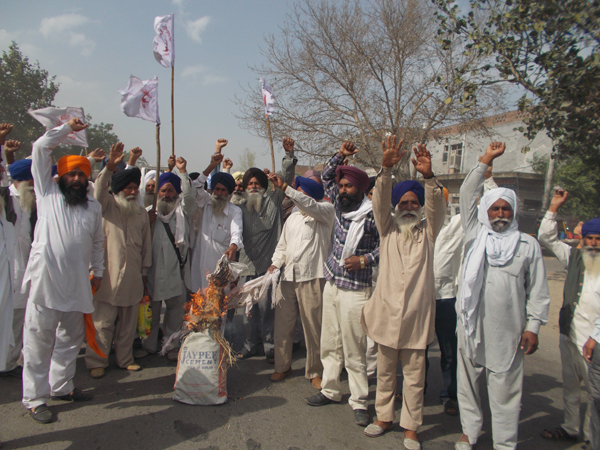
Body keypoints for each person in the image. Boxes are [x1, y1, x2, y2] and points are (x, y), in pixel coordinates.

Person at [455, 142, 551, 450]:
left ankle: (505, 444)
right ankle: (470, 432)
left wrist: (533, 327)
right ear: (486, 211)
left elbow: (538, 291)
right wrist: (485, 161)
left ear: (513, 212)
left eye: (505, 208)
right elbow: (467, 193)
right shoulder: (475, 235)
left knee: (506, 391)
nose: (500, 213)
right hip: (471, 326)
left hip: (507, 331)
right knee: (468, 385)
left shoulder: (527, 245)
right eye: (495, 208)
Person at [361, 137, 445, 450]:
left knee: (414, 377)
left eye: (414, 203)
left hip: (416, 319)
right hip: (386, 315)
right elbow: (379, 202)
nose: (409, 207)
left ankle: (411, 427)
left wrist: (428, 177)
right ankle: (384, 417)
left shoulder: (429, 232)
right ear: (397, 207)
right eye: (404, 203)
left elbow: (437, 208)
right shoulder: (388, 230)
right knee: (385, 374)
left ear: (420, 207)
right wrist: (385, 171)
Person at [21, 118, 104, 424]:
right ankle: (35, 398)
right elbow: (40, 147)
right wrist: (66, 128)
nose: (77, 178)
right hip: (46, 282)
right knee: (39, 341)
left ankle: (61, 386)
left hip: (78, 283)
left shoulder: (93, 207)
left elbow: (97, 242)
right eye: (71, 173)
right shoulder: (47, 194)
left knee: (70, 338)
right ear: (60, 176)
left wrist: (99, 270)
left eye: (82, 174)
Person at [305, 141, 380, 428]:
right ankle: (330, 389)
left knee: (354, 348)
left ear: (360, 189)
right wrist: (341, 155)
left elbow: (386, 244)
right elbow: (326, 176)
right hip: (333, 283)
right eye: (342, 186)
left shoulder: (372, 214)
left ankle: (359, 401)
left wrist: (364, 260)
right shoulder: (338, 203)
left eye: (349, 186)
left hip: (356, 290)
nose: (343, 190)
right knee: (330, 342)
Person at [84, 143, 152, 378]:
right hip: (107, 277)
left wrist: (145, 271)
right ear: (119, 189)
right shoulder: (106, 207)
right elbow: (99, 191)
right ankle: (97, 361)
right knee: (103, 324)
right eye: (128, 188)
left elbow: (146, 246)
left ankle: (125, 359)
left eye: (134, 188)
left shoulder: (141, 213)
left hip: (133, 277)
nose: (132, 191)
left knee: (127, 325)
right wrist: (109, 168)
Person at [538, 192, 600, 443]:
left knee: (594, 392)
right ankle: (571, 427)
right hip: (569, 333)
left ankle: (591, 437)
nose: (593, 243)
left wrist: (595, 338)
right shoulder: (574, 257)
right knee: (571, 386)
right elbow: (546, 237)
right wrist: (553, 208)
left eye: (598, 239)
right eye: (589, 238)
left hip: (593, 341)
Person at [267, 172, 335, 388]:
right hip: (288, 277)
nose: (296, 198)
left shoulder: (325, 212)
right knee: (282, 326)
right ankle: (282, 366)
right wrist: (275, 264)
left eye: (300, 194)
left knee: (313, 328)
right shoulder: (292, 219)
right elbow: (282, 246)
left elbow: (309, 205)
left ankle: (315, 371)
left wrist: (286, 188)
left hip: (313, 277)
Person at [237, 138, 297, 362]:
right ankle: (250, 345)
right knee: (248, 311)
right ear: (245, 188)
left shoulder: (273, 201)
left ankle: (270, 348)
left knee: (268, 311)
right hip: (247, 267)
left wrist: (288, 156)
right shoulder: (239, 208)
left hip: (269, 267)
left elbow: (285, 178)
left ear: (263, 187)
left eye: (257, 183)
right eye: (249, 184)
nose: (253, 187)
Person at [139, 157, 196, 360]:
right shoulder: (148, 214)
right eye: (162, 191)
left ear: (177, 193)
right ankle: (149, 345)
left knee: (174, 314)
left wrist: (183, 171)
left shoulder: (183, 213)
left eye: (170, 191)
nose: (166, 195)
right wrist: (146, 221)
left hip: (176, 273)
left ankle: (171, 346)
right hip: (152, 273)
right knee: (152, 312)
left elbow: (190, 198)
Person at [0, 155, 37, 379]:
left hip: (26, 268)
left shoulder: (31, 202)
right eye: (31, 181)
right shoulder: (5, 198)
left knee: (20, 318)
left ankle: (10, 362)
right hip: (8, 268)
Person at [190, 139, 243, 291]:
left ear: (229, 193)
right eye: (217, 189)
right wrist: (211, 166)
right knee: (196, 303)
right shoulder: (205, 202)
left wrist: (233, 246)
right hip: (198, 268)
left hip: (219, 273)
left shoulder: (234, 211)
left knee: (218, 304)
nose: (219, 193)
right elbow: (196, 186)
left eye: (223, 190)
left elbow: (237, 232)